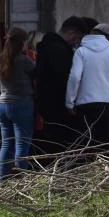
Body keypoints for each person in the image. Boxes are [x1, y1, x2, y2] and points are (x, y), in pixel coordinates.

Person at [32, 16, 87, 154]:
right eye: (78, 38)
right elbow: (67, 78)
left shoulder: (47, 46)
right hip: (57, 104)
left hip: (46, 102)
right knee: (58, 143)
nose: (77, 43)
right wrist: (70, 102)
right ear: (72, 34)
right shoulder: (60, 50)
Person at [66, 22, 109, 150]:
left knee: (87, 145)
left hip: (86, 105)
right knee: (108, 146)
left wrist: (69, 103)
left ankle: (89, 169)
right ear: (106, 38)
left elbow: (75, 77)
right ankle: (108, 169)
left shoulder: (81, 52)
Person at [0, 27, 35, 180]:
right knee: (21, 145)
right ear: (22, 43)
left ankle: (3, 181)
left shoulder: (1, 60)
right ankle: (20, 183)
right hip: (21, 105)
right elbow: (37, 73)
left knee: (6, 145)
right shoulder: (24, 60)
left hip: (2, 104)